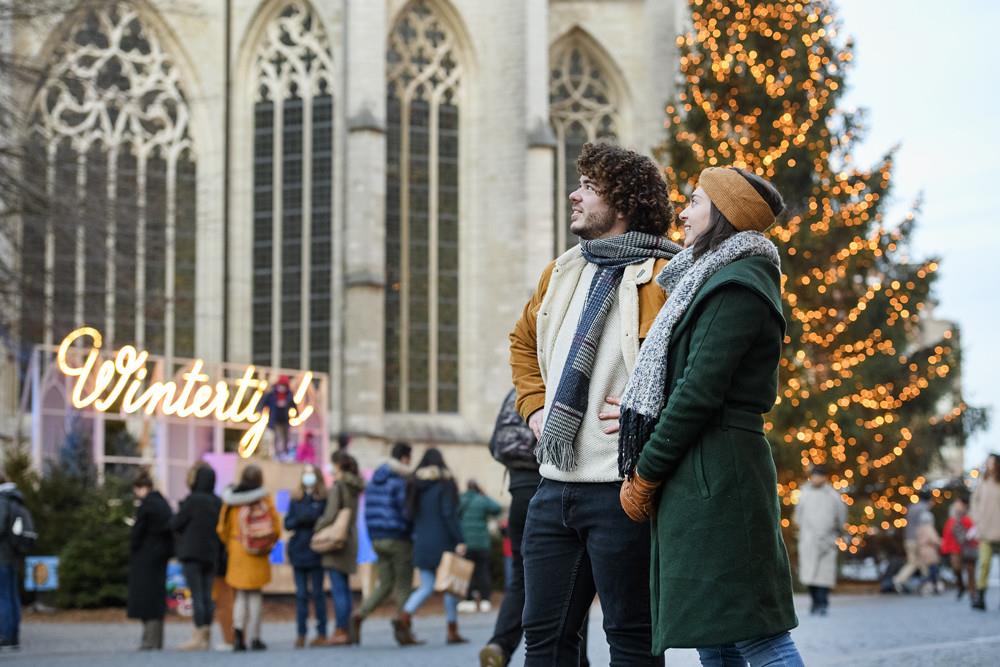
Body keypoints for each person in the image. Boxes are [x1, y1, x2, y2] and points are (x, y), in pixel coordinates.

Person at [618, 166, 802, 665]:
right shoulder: (707, 280)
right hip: (701, 476)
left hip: (721, 478)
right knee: (715, 637)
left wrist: (646, 472)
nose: (683, 211)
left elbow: (696, 392)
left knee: (758, 637)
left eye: (695, 201)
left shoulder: (738, 285)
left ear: (723, 213)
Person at [509, 142, 680, 666]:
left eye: (588, 187)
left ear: (622, 203)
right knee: (545, 641)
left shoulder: (666, 276)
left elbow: (692, 367)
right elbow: (521, 341)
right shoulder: (561, 271)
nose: (573, 195)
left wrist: (649, 405)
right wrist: (536, 409)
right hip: (552, 488)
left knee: (631, 641)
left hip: (623, 491)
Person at [479, 389, 591, 667]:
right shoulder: (558, 383)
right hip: (549, 487)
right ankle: (579, 659)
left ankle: (500, 644)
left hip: (518, 495)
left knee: (520, 577)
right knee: (575, 580)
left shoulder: (517, 395)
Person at [400, 448, 467, 645]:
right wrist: (460, 539)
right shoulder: (444, 484)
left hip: (421, 542)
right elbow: (448, 514)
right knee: (449, 588)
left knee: (426, 586)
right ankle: (452, 631)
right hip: (443, 543)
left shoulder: (415, 485)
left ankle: (403, 616)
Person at [350, 441, 414, 644]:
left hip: (377, 538)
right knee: (404, 585)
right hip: (398, 537)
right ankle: (402, 624)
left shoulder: (374, 480)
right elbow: (405, 511)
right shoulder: (398, 481)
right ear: (404, 458)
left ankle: (360, 614)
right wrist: (410, 529)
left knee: (385, 584)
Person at [216, 464, 281, 651]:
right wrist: (267, 544)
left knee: (240, 595)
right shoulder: (264, 499)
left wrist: (232, 542)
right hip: (258, 553)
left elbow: (221, 528)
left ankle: (238, 636)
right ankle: (255, 637)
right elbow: (275, 527)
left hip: (237, 551)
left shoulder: (230, 501)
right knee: (255, 595)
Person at [170, 462, 223, 650]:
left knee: (198, 595)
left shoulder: (193, 500)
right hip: (211, 553)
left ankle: (198, 635)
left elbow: (175, 523)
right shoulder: (217, 502)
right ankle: (206, 634)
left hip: (192, 552)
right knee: (207, 595)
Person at [314, 451, 365, 645]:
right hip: (349, 539)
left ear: (338, 466)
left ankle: (341, 630)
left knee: (338, 589)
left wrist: (318, 528)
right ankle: (348, 630)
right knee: (344, 587)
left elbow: (330, 515)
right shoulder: (354, 486)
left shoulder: (338, 487)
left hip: (335, 540)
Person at [126, 470, 174, 651]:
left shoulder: (146, 506)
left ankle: (148, 641)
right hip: (160, 557)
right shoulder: (163, 504)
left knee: (146, 599)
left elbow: (136, 534)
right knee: (156, 599)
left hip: (145, 558)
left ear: (140, 488)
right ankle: (157, 640)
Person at [284, 463, 329, 647]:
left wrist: (308, 519)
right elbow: (288, 522)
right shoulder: (296, 499)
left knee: (318, 593)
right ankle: (301, 633)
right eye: (305, 474)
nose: (308, 477)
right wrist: (303, 519)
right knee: (301, 594)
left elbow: (324, 520)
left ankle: (322, 632)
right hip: (298, 551)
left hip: (316, 550)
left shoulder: (323, 498)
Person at [794, 464, 846, 616]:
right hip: (808, 538)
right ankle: (815, 602)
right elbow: (798, 515)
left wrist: (836, 532)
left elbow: (840, 516)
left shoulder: (833, 496)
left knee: (824, 574)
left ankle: (823, 602)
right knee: (809, 574)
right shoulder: (805, 493)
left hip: (826, 539)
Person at [458, 479, 501, 612]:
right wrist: (485, 494)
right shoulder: (482, 500)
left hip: (466, 543)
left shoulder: (460, 500)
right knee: (483, 572)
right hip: (482, 543)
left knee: (467, 572)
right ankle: (485, 601)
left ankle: (468, 601)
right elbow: (497, 508)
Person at [0, 474, 31, 650]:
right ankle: (13, 634)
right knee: (12, 596)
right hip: (13, 556)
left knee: (3, 596)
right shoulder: (15, 499)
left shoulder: (2, 501)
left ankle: (5, 635)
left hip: (2, 556)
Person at [971, 453, 1000, 609]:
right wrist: (977, 520)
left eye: (992, 462)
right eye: (988, 462)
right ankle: (980, 596)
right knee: (984, 564)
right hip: (986, 531)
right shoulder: (982, 483)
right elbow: (974, 503)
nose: (990, 465)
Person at [893, 490, 934, 593]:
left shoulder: (911, 507)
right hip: (919, 540)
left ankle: (899, 580)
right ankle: (928, 584)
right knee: (923, 562)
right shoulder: (924, 509)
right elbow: (924, 526)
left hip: (908, 538)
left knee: (913, 562)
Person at [941, 495, 977, 604]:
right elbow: (948, 532)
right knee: (956, 567)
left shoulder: (971, 515)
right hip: (955, 546)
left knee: (970, 569)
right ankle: (961, 586)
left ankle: (972, 591)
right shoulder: (953, 517)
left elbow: (975, 527)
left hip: (969, 545)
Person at [260, 375, 297, 459]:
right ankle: (276, 453)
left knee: (285, 437)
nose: (282, 387)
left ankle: (284, 453)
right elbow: (263, 403)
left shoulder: (289, 394)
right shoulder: (272, 394)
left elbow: (293, 405)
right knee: (276, 436)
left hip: (284, 419)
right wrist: (260, 410)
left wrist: (296, 414)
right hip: (275, 419)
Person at [916, 511, 942, 595]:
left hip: (922, 550)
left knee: (929, 570)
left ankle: (933, 586)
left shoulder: (919, 528)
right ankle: (926, 584)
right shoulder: (929, 528)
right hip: (929, 551)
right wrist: (941, 542)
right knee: (933, 571)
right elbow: (934, 539)